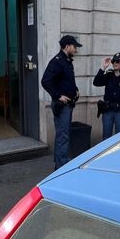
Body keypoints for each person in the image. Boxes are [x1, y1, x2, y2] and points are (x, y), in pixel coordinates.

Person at [41, 35, 81, 169]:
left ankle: (60, 162)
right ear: (67, 46)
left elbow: (66, 81)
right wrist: (59, 95)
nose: (76, 49)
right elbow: (45, 81)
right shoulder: (57, 61)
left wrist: (75, 90)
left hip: (68, 105)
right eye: (74, 47)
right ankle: (61, 166)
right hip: (62, 106)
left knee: (63, 135)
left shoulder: (67, 61)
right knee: (63, 136)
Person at [93, 52, 120, 140]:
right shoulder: (109, 75)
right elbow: (96, 82)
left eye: (117, 61)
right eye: (113, 61)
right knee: (106, 137)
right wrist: (103, 68)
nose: (115, 63)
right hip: (108, 110)